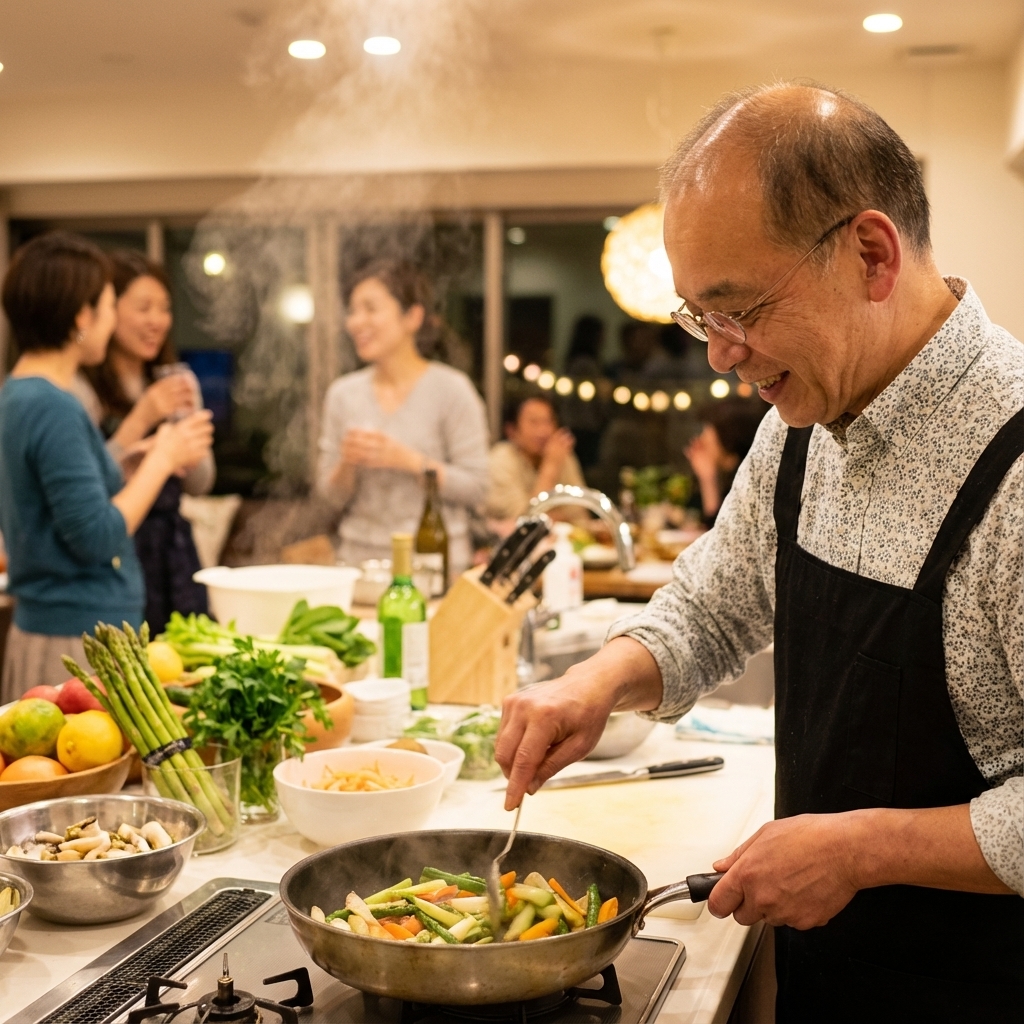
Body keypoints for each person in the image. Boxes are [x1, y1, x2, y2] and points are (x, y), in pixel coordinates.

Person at [495, 83, 1022, 1022]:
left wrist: (861, 850)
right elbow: (717, 597)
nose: (721, 358)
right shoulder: (803, 418)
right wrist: (599, 681)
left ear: (871, 254)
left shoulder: (1014, 463)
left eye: (737, 309)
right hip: (836, 978)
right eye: (701, 318)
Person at [0, 233, 213, 699]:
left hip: (58, 625)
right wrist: (162, 459)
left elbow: (66, 501)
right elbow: (96, 536)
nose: (114, 319)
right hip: (76, 639)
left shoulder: (19, 392)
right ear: (82, 315)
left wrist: (128, 458)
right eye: (110, 306)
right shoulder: (54, 404)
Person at [317, 260, 488, 578]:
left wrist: (410, 461)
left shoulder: (451, 390)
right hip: (359, 561)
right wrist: (347, 463)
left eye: (370, 308)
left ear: (412, 317)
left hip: (436, 563)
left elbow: (476, 488)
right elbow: (330, 497)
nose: (355, 322)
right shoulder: (343, 394)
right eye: (352, 311)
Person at [76, 250, 214, 634]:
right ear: (108, 309)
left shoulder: (177, 380)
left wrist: (189, 442)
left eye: (164, 308)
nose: (157, 320)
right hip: (118, 550)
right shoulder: (83, 390)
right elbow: (87, 485)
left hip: (174, 552)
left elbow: (201, 483)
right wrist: (143, 417)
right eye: (143, 307)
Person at [485, 394, 586, 522]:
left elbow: (580, 518)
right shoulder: (500, 459)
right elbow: (525, 524)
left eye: (548, 421)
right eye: (534, 422)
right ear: (511, 430)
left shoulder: (563, 456)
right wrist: (550, 468)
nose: (543, 431)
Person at [685, 397, 767, 526]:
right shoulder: (727, 476)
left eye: (707, 431)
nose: (701, 439)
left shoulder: (752, 480)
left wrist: (708, 479)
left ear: (727, 436)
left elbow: (723, 538)